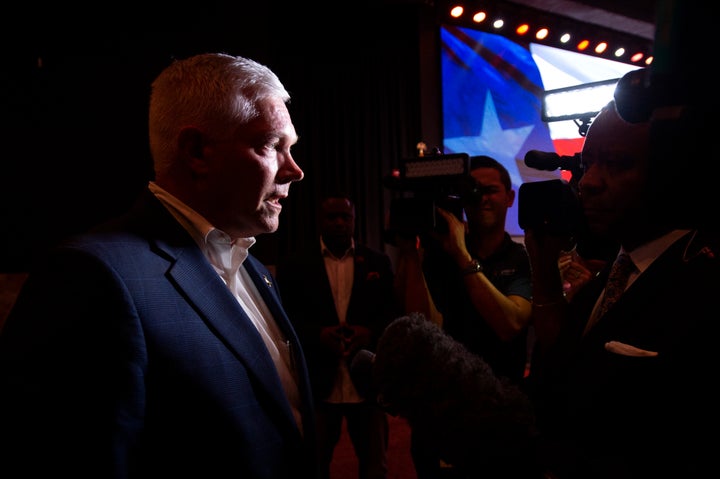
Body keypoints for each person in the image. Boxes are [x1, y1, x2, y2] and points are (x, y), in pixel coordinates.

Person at [0, 53, 318, 478]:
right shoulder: (89, 277)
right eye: (272, 145)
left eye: (291, 149)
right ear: (197, 152)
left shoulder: (255, 268)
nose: (294, 171)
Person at [524, 67, 720, 479]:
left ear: (675, 171)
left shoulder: (706, 282)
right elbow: (562, 379)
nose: (588, 182)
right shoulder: (610, 276)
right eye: (586, 163)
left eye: (615, 164)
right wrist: (543, 270)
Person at [393, 155, 533, 478]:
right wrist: (411, 257)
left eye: (491, 190)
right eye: (473, 190)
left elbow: (509, 324)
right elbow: (424, 325)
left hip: (500, 409)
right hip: (442, 408)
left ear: (510, 198)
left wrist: (462, 255)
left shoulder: (520, 258)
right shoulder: (441, 255)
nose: (481, 198)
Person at [276, 193, 401, 479]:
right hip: (319, 382)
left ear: (354, 221)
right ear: (320, 221)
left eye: (345, 217)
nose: (339, 223)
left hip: (367, 383)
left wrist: (368, 332)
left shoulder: (377, 263)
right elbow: (284, 318)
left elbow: (392, 312)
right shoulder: (296, 265)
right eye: (332, 217)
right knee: (314, 466)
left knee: (375, 467)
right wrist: (318, 335)